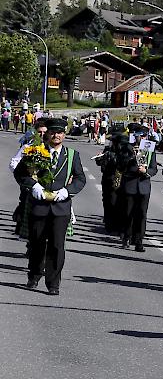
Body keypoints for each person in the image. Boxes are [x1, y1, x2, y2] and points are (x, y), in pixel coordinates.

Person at [15, 118, 86, 295]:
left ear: (64, 134)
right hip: (39, 205)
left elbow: (80, 178)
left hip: (61, 207)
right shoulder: (35, 151)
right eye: (53, 132)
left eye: (60, 132)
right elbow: (20, 173)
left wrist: (67, 192)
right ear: (47, 134)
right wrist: (33, 186)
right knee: (37, 243)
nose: (56, 135)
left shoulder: (72, 155)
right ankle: (34, 274)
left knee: (57, 246)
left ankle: (53, 283)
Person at [121, 124, 158, 251]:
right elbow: (121, 165)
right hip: (130, 184)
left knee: (142, 215)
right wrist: (132, 158)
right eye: (139, 136)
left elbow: (154, 168)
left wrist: (146, 171)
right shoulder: (127, 147)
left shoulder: (150, 148)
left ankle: (139, 240)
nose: (141, 139)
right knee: (128, 213)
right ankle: (126, 236)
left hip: (144, 185)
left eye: (143, 136)